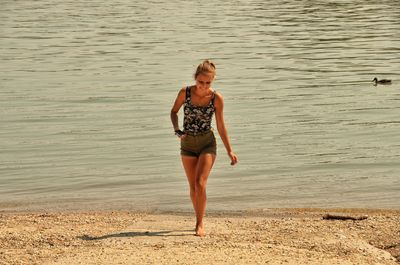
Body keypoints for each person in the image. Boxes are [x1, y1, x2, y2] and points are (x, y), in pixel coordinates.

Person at [170, 60, 238, 236]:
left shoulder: (216, 98)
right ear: (195, 78)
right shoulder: (184, 92)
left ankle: (199, 223)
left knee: (200, 183)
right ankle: (198, 215)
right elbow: (174, 112)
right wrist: (177, 130)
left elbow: (221, 126)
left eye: (208, 83)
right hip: (187, 144)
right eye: (201, 82)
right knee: (193, 187)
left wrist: (230, 150)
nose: (204, 86)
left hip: (207, 143)